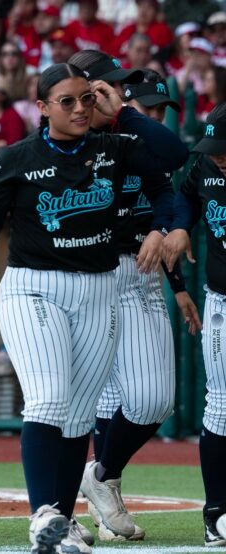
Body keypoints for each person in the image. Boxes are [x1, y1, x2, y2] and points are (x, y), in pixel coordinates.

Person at [0, 62, 187, 554]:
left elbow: (169, 169)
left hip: (98, 289)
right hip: (34, 289)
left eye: (86, 99)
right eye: (66, 101)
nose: (78, 108)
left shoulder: (117, 148)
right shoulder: (14, 158)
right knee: (49, 401)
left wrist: (159, 223)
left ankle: (64, 519)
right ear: (43, 107)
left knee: (77, 418)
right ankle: (42, 516)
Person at [75, 68, 199, 544]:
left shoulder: (133, 130)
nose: (153, 116)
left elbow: (174, 157)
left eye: (158, 109)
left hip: (139, 269)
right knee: (97, 401)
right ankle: (97, 505)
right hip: (87, 273)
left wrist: (179, 284)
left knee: (153, 398)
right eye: (145, 106)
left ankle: (101, 475)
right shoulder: (74, 133)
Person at [164, 102, 226, 549]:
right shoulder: (205, 164)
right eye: (214, 148)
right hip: (222, 299)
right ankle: (217, 513)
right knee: (220, 405)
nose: (218, 156)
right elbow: (184, 195)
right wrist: (182, 226)